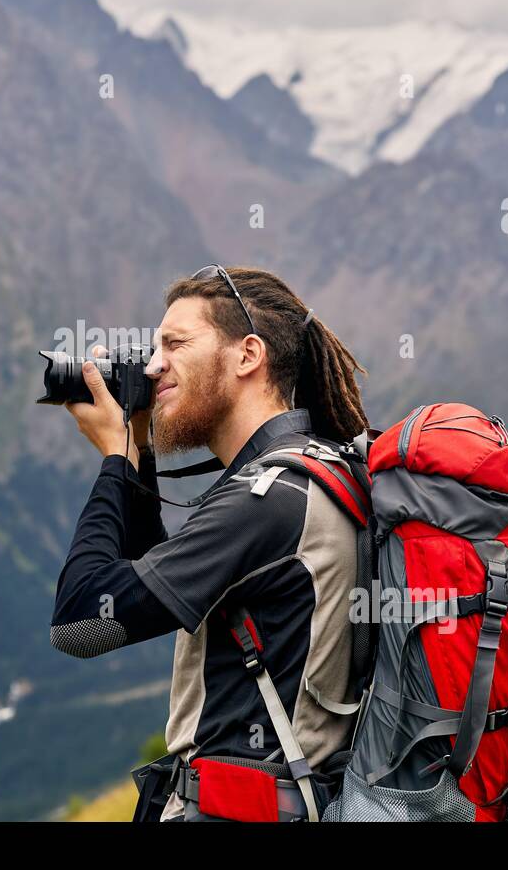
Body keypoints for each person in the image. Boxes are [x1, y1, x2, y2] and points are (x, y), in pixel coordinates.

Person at [51, 265, 371, 821]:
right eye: (154, 349)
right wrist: (141, 451)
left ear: (248, 355)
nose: (154, 365)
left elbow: (79, 622)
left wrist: (113, 457)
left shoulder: (265, 499)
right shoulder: (315, 469)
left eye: (175, 344)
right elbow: (157, 581)